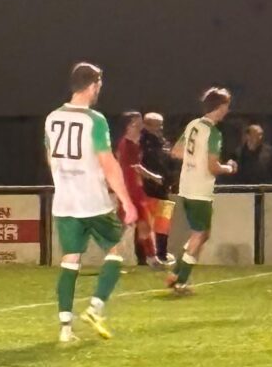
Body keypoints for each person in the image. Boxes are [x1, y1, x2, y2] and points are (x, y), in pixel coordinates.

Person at [44, 63, 136, 343]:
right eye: (99, 85)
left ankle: (65, 329)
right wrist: (127, 201)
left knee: (70, 259)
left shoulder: (52, 118)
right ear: (93, 85)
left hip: (65, 202)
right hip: (93, 200)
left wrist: (64, 182)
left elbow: (51, 158)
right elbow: (108, 163)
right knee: (116, 250)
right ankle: (96, 308)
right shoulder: (94, 120)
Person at [167, 88, 236, 295]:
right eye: (226, 106)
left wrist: (193, 158)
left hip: (186, 186)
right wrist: (229, 168)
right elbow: (213, 167)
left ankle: (176, 273)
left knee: (202, 234)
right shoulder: (213, 133)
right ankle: (180, 281)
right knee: (200, 234)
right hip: (200, 189)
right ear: (220, 107)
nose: (227, 111)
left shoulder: (193, 125)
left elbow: (176, 152)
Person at [116, 110, 163, 268]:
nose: (141, 127)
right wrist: (154, 177)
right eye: (137, 123)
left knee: (133, 224)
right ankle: (151, 258)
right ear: (128, 126)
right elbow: (135, 167)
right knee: (138, 224)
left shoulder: (134, 144)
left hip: (133, 189)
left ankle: (151, 258)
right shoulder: (127, 145)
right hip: (131, 190)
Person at [139, 111, 175, 265]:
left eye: (161, 124)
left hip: (163, 189)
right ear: (146, 125)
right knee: (147, 224)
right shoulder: (141, 142)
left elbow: (170, 162)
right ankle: (144, 256)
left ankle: (162, 253)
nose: (160, 128)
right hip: (147, 189)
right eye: (157, 125)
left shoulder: (163, 142)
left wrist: (171, 179)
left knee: (163, 223)